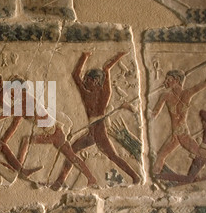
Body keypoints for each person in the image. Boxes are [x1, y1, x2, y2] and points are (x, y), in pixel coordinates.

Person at [51, 52, 140, 190]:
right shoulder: (86, 93)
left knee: (112, 156)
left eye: (88, 79)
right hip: (91, 131)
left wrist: (119, 55)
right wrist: (84, 57)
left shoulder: (105, 94)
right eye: (85, 79)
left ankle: (135, 176)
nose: (85, 81)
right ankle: (60, 181)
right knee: (71, 151)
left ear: (96, 81)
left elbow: (106, 69)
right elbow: (75, 76)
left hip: (99, 131)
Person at [1, 76, 97, 187]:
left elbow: (6, 118)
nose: (10, 95)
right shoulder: (23, 100)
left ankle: (19, 169)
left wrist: (3, 141)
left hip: (53, 132)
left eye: (11, 91)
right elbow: (14, 124)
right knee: (71, 156)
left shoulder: (24, 101)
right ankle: (90, 178)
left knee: (26, 140)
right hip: (54, 130)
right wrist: (4, 140)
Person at [151, 52, 206, 176]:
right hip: (175, 135)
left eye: (169, 79)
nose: (166, 81)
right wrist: (133, 109)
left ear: (176, 80)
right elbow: (154, 114)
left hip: (183, 133)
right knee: (160, 157)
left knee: (200, 152)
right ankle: (156, 180)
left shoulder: (187, 94)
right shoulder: (165, 96)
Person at [156, 93, 206, 183]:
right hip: (204, 151)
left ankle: (199, 179)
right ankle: (158, 176)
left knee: (191, 178)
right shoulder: (205, 114)